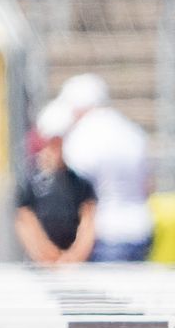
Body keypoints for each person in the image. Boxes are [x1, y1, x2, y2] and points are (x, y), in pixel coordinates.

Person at [57, 73, 152, 263]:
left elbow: (78, 194)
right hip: (140, 227)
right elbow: (147, 184)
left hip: (102, 231)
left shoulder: (81, 136)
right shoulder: (131, 132)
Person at [15, 101, 96, 265]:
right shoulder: (31, 181)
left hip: (73, 265)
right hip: (40, 264)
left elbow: (88, 222)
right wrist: (46, 254)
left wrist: (74, 257)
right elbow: (25, 221)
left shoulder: (79, 183)